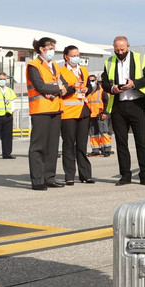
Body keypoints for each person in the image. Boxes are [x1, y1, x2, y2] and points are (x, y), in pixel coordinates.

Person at [101, 36, 145, 186]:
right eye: (117, 50)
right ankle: (125, 175)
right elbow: (105, 82)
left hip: (136, 104)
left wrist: (134, 84)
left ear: (128, 46)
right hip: (118, 106)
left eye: (122, 49)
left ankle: (144, 175)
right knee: (121, 143)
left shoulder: (141, 59)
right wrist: (112, 88)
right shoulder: (109, 62)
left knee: (141, 142)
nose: (120, 52)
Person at [26, 37, 69, 190]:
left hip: (55, 109)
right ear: (41, 49)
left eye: (53, 48)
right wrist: (58, 88)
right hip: (40, 110)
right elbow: (39, 85)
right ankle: (37, 180)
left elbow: (64, 84)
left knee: (52, 146)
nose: (52, 51)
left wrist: (61, 87)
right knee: (38, 147)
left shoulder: (55, 66)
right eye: (50, 48)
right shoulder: (33, 65)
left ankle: (49, 177)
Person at [58, 46, 94, 185]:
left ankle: (86, 175)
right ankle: (69, 175)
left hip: (83, 110)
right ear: (66, 56)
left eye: (78, 54)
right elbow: (61, 91)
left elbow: (90, 87)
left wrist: (87, 88)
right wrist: (73, 87)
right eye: (73, 55)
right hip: (68, 113)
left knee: (82, 145)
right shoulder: (61, 71)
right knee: (68, 144)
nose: (76, 57)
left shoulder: (83, 70)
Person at [85, 74, 113, 157]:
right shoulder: (87, 91)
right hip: (91, 115)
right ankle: (95, 150)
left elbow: (107, 102)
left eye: (93, 80)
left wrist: (105, 113)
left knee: (104, 132)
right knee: (93, 134)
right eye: (90, 81)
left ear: (96, 81)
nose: (91, 82)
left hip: (100, 114)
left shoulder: (101, 90)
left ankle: (107, 149)